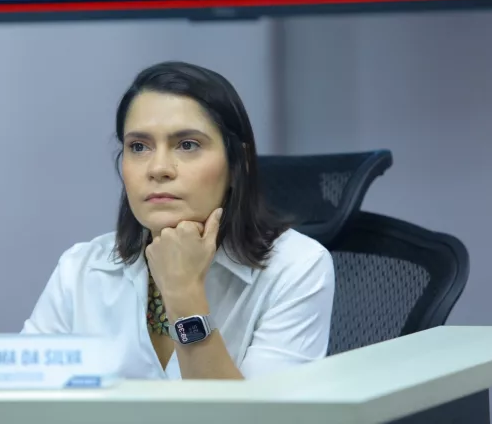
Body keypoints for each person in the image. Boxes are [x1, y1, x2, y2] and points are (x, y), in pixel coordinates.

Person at [21, 61, 335, 380]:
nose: (158, 168)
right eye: (139, 147)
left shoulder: (296, 267)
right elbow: (20, 401)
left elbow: (257, 417)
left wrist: (184, 293)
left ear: (237, 164)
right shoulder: (81, 269)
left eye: (187, 145)